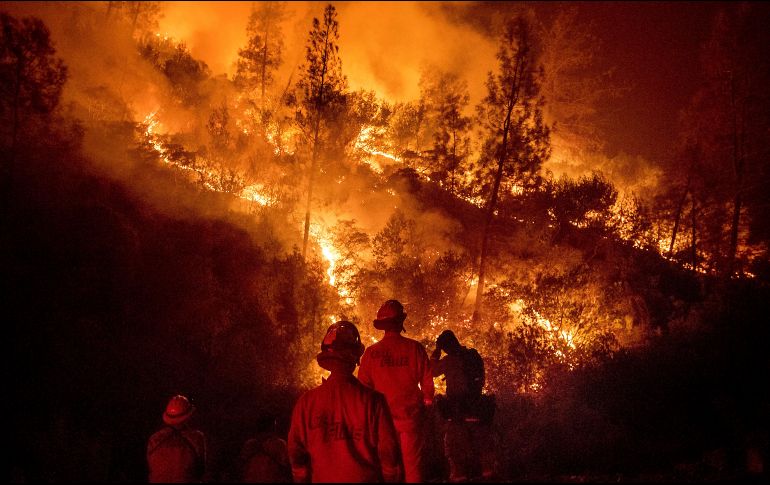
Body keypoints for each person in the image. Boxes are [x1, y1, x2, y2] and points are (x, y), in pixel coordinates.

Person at [288, 320, 403, 483]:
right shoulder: (373, 401)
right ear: (356, 357)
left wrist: (302, 478)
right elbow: (389, 450)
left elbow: (295, 451)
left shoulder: (306, 402)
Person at [358, 299, 435, 483]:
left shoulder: (370, 353)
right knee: (413, 468)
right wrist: (427, 404)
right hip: (410, 418)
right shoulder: (415, 348)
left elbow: (363, 390)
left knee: (387, 471)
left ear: (382, 326)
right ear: (401, 322)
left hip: (382, 422)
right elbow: (427, 382)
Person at [430, 330, 495, 482]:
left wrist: (436, 352)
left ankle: (460, 477)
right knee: (484, 451)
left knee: (454, 450)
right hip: (477, 407)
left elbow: (431, 371)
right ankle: (488, 475)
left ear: (445, 347)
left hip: (458, 411)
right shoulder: (474, 355)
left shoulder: (450, 360)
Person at [147, 394, 207, 483]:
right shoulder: (197, 438)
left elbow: (150, 468)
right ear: (189, 416)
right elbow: (201, 470)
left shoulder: (154, 439)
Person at [237, 415, 292, 483]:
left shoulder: (250, 444)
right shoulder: (279, 444)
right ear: (272, 427)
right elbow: (285, 467)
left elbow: (242, 465)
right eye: (275, 425)